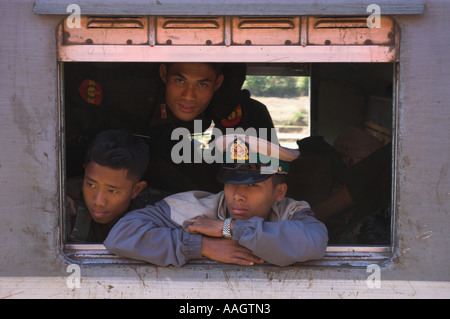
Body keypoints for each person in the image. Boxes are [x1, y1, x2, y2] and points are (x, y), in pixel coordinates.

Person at [104, 134, 328, 267]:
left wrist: (228, 228)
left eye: (252, 185)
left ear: (279, 193)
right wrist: (201, 246)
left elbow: (314, 241)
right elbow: (121, 235)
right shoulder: (192, 208)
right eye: (232, 183)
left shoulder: (290, 211)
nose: (238, 195)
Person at [66, 129, 162, 243]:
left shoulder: (158, 210)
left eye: (111, 191)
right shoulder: (58, 202)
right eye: (91, 185)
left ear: (136, 189)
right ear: (85, 171)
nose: (98, 201)